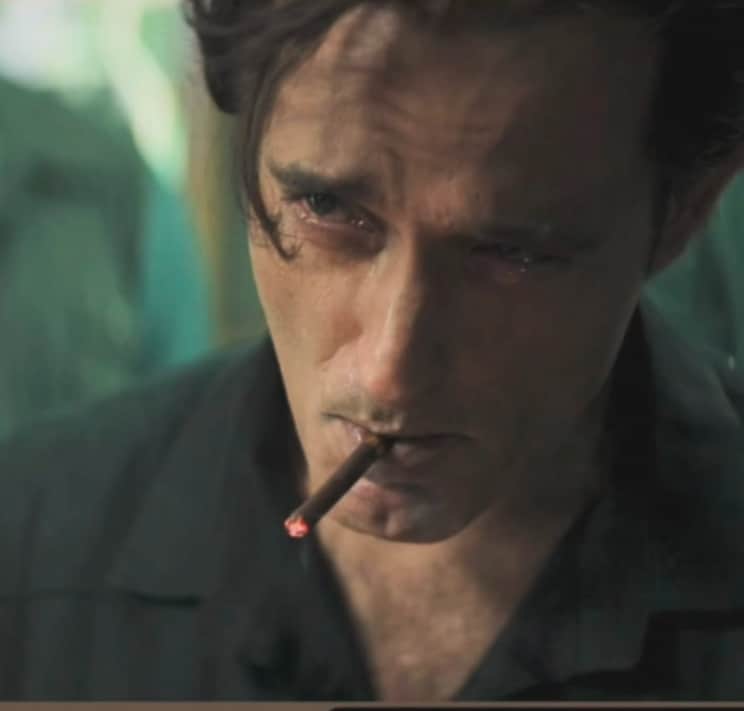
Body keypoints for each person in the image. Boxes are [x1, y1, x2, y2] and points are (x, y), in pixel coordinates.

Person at [1, 0, 744, 701]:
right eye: (326, 207)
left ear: (683, 213)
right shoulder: (31, 547)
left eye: (516, 253)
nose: (391, 374)